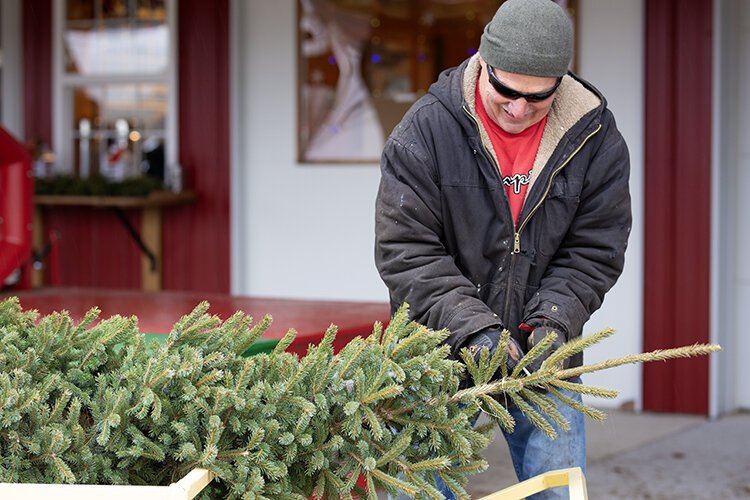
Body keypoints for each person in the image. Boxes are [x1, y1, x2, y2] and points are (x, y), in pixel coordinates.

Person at [374, 0, 632, 497]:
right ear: (483, 64)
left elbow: (596, 247)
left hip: (545, 353)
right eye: (506, 90)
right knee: (422, 490)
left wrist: (555, 321)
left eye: (537, 98)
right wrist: (474, 328)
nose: (518, 109)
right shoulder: (427, 129)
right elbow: (406, 249)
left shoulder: (595, 137)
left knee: (558, 490)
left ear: (561, 81)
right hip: (438, 350)